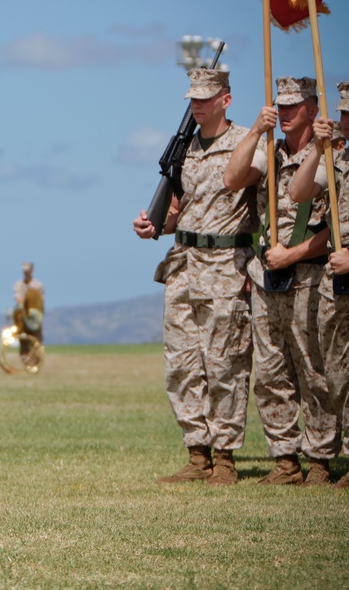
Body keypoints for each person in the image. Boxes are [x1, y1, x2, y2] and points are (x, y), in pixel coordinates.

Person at [132, 68, 257, 485]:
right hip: (183, 262)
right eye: (193, 98)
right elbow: (179, 210)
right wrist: (155, 225)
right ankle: (197, 453)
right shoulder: (183, 150)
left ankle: (224, 457)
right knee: (182, 363)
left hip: (225, 264)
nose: (198, 104)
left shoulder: (246, 142)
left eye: (206, 97)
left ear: (226, 99)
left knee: (225, 362)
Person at [223, 76, 335, 486]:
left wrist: (294, 254)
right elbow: (232, 179)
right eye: (280, 106)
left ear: (311, 108)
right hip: (267, 277)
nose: (285, 114)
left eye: (292, 107)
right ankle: (286, 460)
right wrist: (255, 130)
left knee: (313, 370)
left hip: (309, 276)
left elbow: (336, 230)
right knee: (271, 373)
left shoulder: (330, 154)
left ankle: (321, 460)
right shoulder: (269, 151)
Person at [289, 80, 349, 488]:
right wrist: (317, 149)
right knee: (339, 375)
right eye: (344, 113)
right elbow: (297, 192)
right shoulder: (339, 161)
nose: (345, 120)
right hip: (338, 285)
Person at [13, 261, 45, 343]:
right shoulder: (18, 285)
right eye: (24, 271)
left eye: (27, 270)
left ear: (32, 270)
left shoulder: (38, 285)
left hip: (34, 321)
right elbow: (18, 299)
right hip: (23, 321)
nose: (26, 272)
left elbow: (40, 303)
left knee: (36, 343)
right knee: (24, 345)